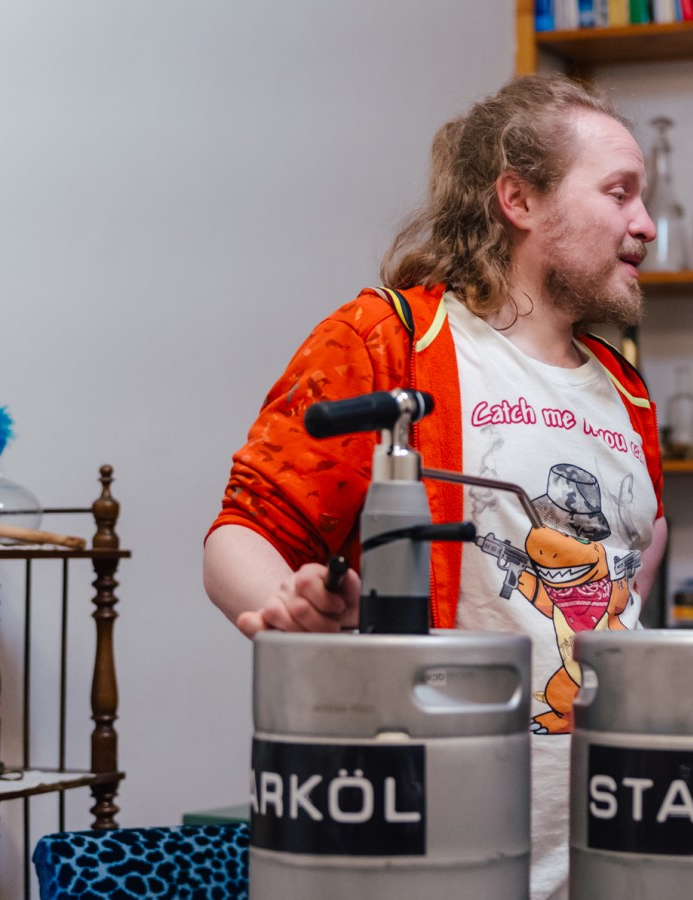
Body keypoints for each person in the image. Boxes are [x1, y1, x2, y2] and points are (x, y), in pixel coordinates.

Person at [203, 73, 667, 900]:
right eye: (619, 193)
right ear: (519, 200)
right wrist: (291, 612)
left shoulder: (624, 389)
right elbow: (242, 533)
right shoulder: (390, 341)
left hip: (603, 847)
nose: (647, 225)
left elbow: (638, 551)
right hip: (432, 845)